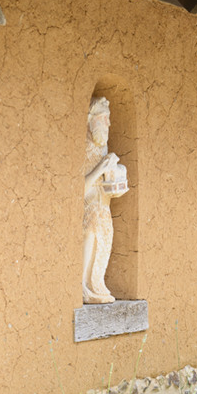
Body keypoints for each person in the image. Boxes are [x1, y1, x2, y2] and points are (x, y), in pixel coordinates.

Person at [82, 97, 128, 304]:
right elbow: (81, 188)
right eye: (104, 118)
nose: (109, 123)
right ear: (91, 120)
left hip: (103, 209)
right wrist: (101, 167)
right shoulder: (84, 147)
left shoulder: (100, 146)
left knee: (104, 239)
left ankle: (96, 285)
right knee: (91, 230)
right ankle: (83, 286)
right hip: (89, 210)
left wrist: (113, 170)